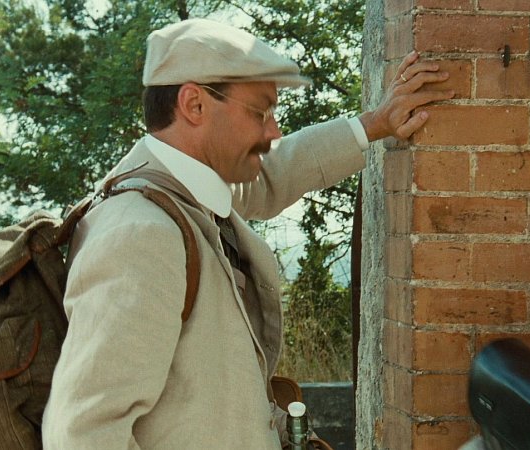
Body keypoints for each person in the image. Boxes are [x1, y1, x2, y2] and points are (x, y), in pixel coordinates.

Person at [42, 18, 453, 449]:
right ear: (194, 105)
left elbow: (271, 172)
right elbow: (82, 433)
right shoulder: (140, 235)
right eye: (259, 113)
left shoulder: (183, 188)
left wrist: (374, 124)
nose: (272, 131)